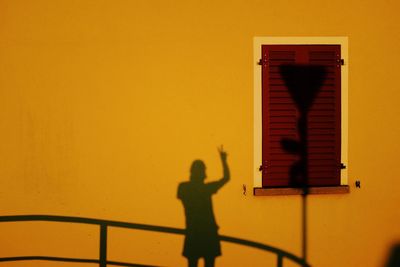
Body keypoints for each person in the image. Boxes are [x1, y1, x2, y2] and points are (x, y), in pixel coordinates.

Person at [177, 146, 230, 267]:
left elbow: (226, 179)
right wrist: (224, 161)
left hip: (193, 232)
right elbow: (226, 178)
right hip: (208, 233)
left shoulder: (184, 188)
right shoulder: (205, 189)